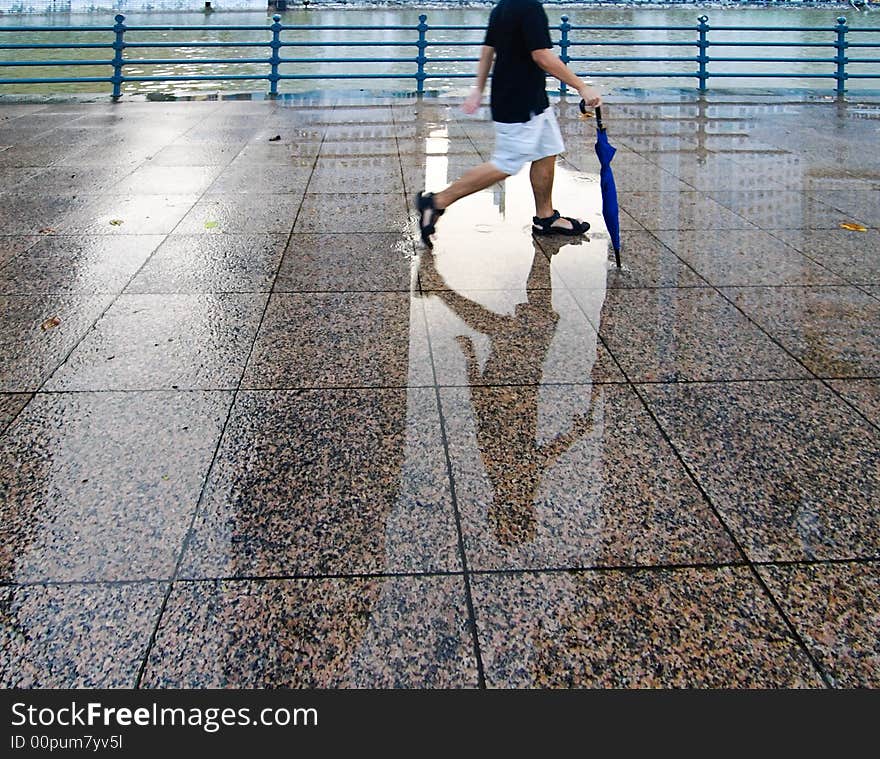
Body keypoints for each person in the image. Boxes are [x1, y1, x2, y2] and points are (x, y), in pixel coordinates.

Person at [416, 0, 603, 247]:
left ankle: (545, 218)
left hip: (530, 99)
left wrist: (478, 89)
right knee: (506, 163)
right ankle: (437, 202)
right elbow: (542, 56)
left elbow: (487, 50)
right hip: (519, 102)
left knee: (547, 150)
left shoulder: (502, 7)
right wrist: (582, 87)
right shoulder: (529, 7)